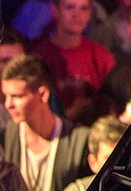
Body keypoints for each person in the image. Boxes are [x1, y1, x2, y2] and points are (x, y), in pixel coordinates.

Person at [1, 55, 91, 191]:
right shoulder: (6, 137)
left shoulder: (79, 141)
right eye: (5, 96)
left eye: (17, 96)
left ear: (42, 94)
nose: (8, 104)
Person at [61, 115, 127, 191]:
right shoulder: (78, 189)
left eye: (122, 156)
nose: (117, 165)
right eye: (109, 159)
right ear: (93, 163)